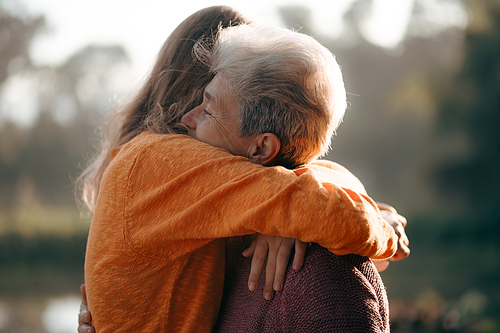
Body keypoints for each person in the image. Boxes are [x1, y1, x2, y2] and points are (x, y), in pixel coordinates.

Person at [77, 6, 407, 333]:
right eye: (207, 99)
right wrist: (383, 224)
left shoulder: (179, 164)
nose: (193, 116)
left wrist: (286, 211)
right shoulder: (160, 161)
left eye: (209, 106)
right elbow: (315, 206)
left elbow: (309, 180)